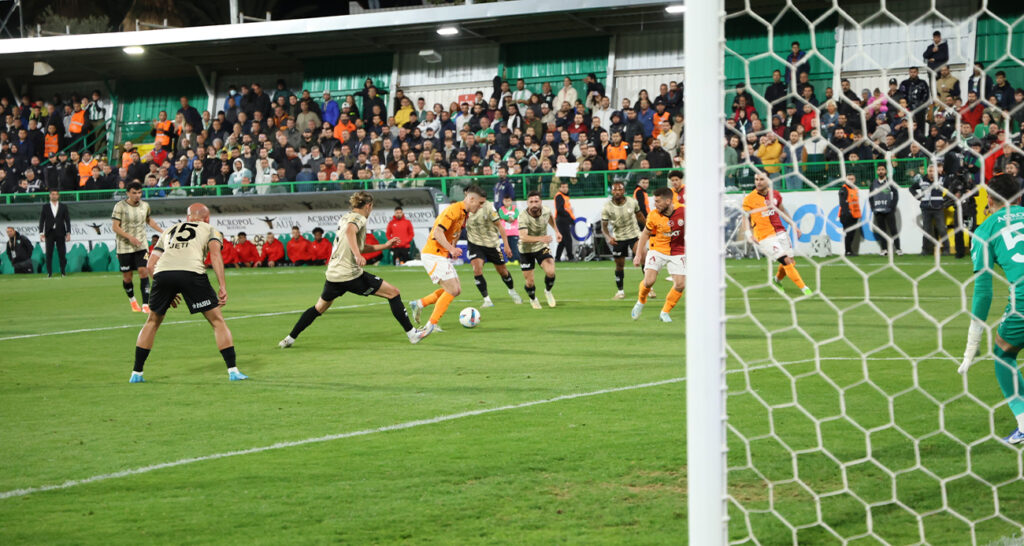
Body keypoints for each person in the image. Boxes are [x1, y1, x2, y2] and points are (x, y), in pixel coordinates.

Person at [279, 192, 426, 348]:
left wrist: (385, 245)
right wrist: (357, 255)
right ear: (368, 206)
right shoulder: (359, 218)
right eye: (372, 207)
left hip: (333, 274)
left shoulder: (345, 217)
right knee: (393, 293)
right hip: (350, 275)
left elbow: (358, 245)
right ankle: (412, 334)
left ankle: (289, 338)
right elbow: (350, 232)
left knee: (318, 308)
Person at [130, 203, 247, 383]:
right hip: (191, 273)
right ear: (207, 218)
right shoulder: (210, 229)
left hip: (163, 274)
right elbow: (215, 256)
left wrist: (165, 289)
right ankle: (233, 371)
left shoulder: (168, 231)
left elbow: (150, 265)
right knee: (217, 321)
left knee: (152, 321)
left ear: (187, 217)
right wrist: (222, 286)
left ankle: (136, 373)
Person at [960, 173, 1024, 444]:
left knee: (1003, 353)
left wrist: (972, 343)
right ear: (1019, 197)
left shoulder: (985, 230)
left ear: (989, 200)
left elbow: (984, 293)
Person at [409, 185, 487, 334]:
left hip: (441, 255)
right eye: (480, 203)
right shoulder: (453, 210)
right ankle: (430, 325)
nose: (481, 206)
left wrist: (453, 247)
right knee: (453, 289)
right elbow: (437, 232)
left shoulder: (464, 214)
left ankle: (420, 303)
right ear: (471, 199)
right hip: (433, 254)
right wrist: (451, 249)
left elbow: (455, 233)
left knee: (455, 290)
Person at [742, 172, 812, 296]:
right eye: (756, 179)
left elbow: (782, 211)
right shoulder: (749, 199)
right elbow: (745, 217)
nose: (758, 182)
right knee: (786, 261)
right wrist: (748, 234)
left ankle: (777, 280)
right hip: (765, 236)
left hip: (780, 232)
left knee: (791, 262)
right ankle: (805, 289)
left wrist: (794, 225)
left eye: (761, 179)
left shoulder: (775, 195)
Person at [631, 187, 686, 322]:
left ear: (668, 201)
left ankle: (665, 312)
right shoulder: (653, 215)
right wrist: (638, 254)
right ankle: (641, 301)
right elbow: (645, 234)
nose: (655, 205)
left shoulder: (684, 211)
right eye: (654, 201)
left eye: (658, 201)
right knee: (649, 281)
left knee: (680, 284)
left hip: (678, 250)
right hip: (657, 249)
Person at [112, 182, 164, 313]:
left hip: (141, 245)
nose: (137, 195)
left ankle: (146, 305)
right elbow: (115, 227)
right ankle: (133, 300)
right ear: (128, 193)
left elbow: (148, 220)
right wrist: (129, 237)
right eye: (134, 193)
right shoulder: (120, 206)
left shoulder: (145, 205)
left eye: (139, 192)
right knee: (127, 277)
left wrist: (162, 231)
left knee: (143, 271)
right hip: (124, 247)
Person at [466, 198, 520, 308]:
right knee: (477, 269)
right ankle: (487, 300)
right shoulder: (465, 209)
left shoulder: (489, 207)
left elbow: (500, 225)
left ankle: (512, 291)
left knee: (503, 272)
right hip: (475, 244)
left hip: (492, 244)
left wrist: (506, 245)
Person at [601, 181, 646, 299]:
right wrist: (608, 237)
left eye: (620, 189)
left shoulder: (632, 202)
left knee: (643, 258)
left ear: (624, 191)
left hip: (634, 235)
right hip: (618, 239)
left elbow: (639, 216)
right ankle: (620, 291)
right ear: (612, 191)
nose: (617, 192)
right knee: (619, 265)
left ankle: (648, 288)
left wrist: (648, 228)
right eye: (615, 189)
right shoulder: (607, 207)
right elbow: (604, 226)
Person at [517, 191, 560, 309]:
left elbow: (550, 217)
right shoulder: (523, 216)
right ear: (527, 203)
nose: (534, 204)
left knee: (551, 272)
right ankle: (533, 299)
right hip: (526, 250)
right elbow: (523, 237)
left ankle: (548, 291)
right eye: (531, 202)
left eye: (536, 201)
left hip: (541, 247)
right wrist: (541, 238)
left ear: (541, 202)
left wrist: (556, 231)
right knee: (530, 282)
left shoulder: (546, 210)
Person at [912, 163, 948, 256]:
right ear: (927, 171)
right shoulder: (922, 180)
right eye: (929, 171)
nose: (931, 173)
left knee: (942, 229)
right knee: (926, 230)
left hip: (938, 208)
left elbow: (951, 189)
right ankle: (926, 250)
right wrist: (918, 197)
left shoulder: (942, 180)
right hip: (926, 208)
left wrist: (945, 200)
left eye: (933, 171)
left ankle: (946, 250)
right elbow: (911, 188)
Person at [869, 164, 901, 256]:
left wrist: (892, 207)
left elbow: (895, 195)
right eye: (879, 170)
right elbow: (870, 197)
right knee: (882, 231)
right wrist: (873, 208)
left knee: (893, 230)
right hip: (878, 211)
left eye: (882, 169)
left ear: (886, 171)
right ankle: (884, 249)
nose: (881, 171)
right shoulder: (873, 183)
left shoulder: (890, 183)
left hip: (888, 210)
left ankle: (898, 249)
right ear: (877, 171)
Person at [38, 189, 70, 277]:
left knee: (62, 253)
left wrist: (68, 232)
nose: (54, 196)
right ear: (49, 195)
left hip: (60, 232)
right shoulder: (45, 206)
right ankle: (49, 273)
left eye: (56, 194)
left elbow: (67, 220)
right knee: (49, 253)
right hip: (49, 232)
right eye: (52, 194)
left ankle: (63, 272)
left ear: (58, 196)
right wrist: (41, 233)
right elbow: (42, 220)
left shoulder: (63, 206)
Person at [838, 174, 862, 256]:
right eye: (849, 179)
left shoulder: (855, 189)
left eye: (852, 179)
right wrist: (847, 213)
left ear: (855, 180)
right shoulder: (843, 189)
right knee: (848, 233)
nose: (851, 180)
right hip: (846, 215)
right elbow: (842, 203)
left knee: (852, 234)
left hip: (854, 215)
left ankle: (849, 250)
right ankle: (847, 251)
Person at [553, 182, 574, 261]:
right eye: (563, 187)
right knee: (568, 239)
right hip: (562, 220)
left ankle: (557, 258)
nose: (565, 189)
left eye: (566, 187)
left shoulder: (564, 196)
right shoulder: (559, 196)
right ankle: (570, 257)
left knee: (562, 241)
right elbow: (560, 209)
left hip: (562, 220)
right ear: (559, 188)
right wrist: (569, 216)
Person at [498, 196, 521, 264]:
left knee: (514, 247)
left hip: (514, 232)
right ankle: (510, 260)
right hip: (505, 232)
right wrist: (509, 218)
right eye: (506, 201)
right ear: (503, 201)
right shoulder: (501, 209)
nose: (507, 202)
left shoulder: (514, 208)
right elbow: (502, 216)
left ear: (511, 201)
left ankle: (517, 260)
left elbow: (516, 214)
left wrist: (512, 217)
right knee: (508, 247)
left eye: (509, 201)